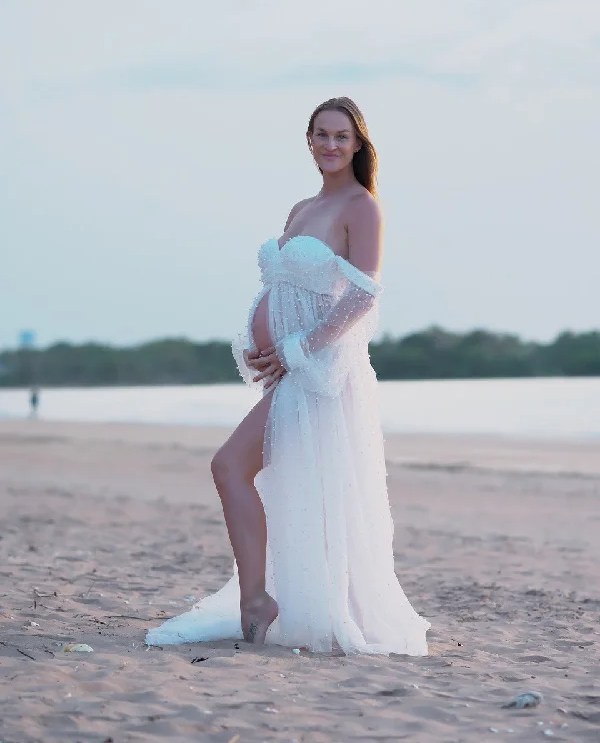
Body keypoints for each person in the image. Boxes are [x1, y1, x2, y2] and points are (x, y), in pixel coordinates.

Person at [146, 97, 430, 655]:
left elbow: (364, 294)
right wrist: (259, 344)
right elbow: (281, 287)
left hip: (321, 374)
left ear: (358, 144)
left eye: (341, 137)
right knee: (268, 479)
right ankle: (262, 597)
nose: (330, 145)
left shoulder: (361, 206)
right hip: (290, 374)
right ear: (308, 140)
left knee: (232, 466)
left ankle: (261, 600)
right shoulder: (301, 208)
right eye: (321, 135)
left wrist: (298, 347)